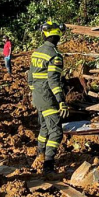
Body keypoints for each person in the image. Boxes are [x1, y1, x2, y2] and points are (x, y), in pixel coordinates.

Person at [27, 21, 69, 178]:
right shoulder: (55, 56)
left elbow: (30, 78)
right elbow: (53, 81)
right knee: (56, 132)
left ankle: (40, 155)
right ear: (58, 37)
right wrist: (61, 101)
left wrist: (35, 94)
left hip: (37, 96)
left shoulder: (37, 52)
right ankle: (48, 166)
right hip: (48, 97)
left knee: (44, 127)